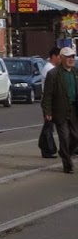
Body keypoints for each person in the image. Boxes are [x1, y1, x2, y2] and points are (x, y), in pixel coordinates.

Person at [42, 46, 78, 174]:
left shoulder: (75, 72)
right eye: (68, 57)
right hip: (60, 111)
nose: (71, 59)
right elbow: (47, 95)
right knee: (64, 137)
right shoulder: (53, 74)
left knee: (75, 137)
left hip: (74, 110)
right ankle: (67, 165)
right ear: (61, 58)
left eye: (73, 57)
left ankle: (64, 151)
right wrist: (47, 112)